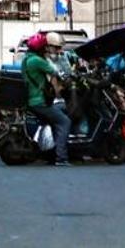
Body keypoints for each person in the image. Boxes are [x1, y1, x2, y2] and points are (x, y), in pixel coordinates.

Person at [22, 29, 71, 164]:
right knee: (64, 121)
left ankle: (52, 151)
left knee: (60, 110)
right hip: (39, 101)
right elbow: (55, 72)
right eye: (45, 47)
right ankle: (61, 158)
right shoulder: (38, 61)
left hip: (32, 99)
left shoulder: (27, 59)